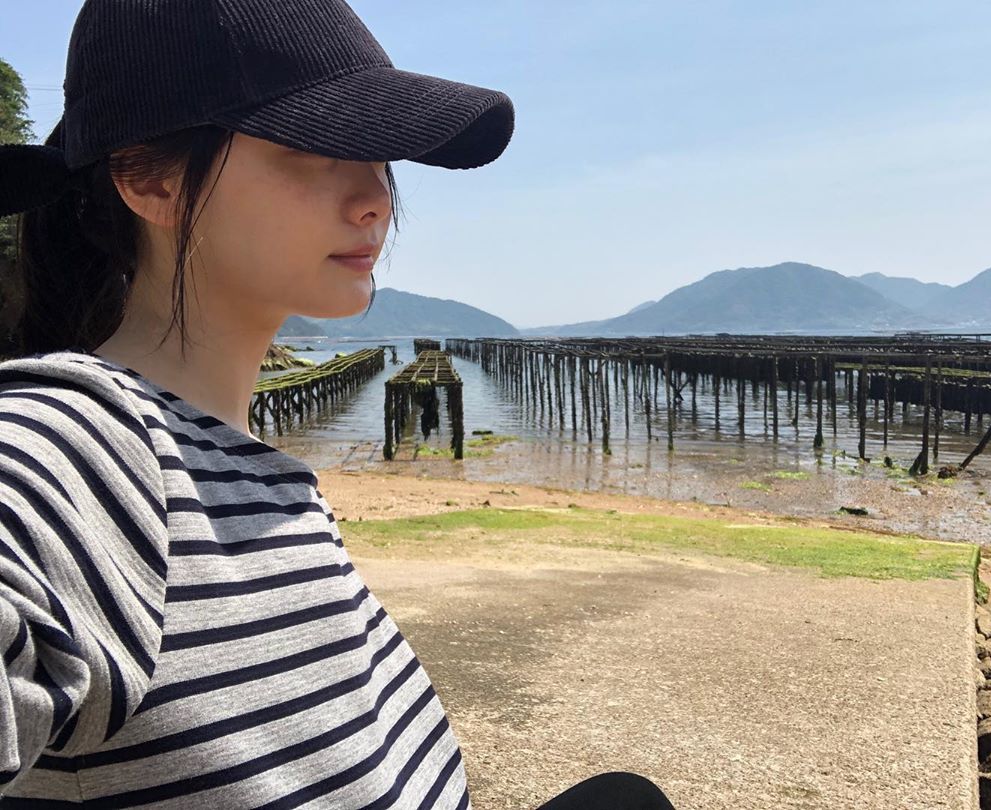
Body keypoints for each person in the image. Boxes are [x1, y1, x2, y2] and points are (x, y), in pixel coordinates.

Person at [0, 1, 677, 808]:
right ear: (149, 178)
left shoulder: (241, 470)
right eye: (314, 149)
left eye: (380, 156)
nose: (375, 199)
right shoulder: (82, 448)